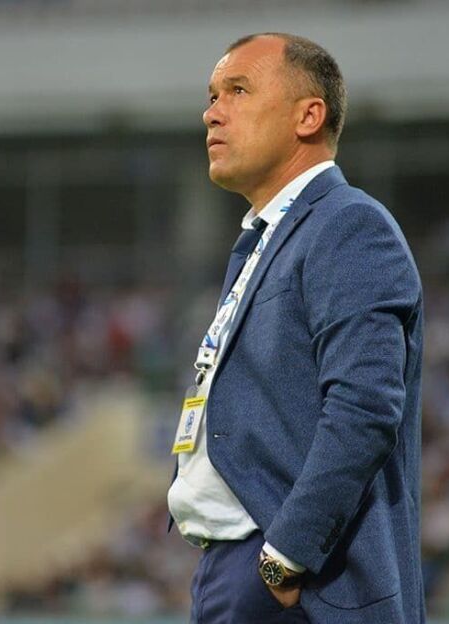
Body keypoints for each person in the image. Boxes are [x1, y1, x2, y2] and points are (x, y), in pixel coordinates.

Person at [166, 33, 425, 623]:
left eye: (238, 90)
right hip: (236, 568)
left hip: (301, 581)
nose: (212, 113)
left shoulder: (348, 225)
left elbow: (364, 407)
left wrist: (285, 559)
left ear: (308, 116)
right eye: (211, 96)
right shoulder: (262, 240)